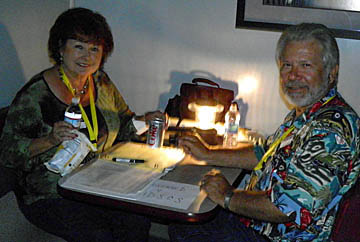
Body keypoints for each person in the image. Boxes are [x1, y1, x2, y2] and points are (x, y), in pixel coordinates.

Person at [169, 23, 360, 241]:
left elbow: (288, 208)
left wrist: (227, 195)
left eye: (305, 65)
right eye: (287, 65)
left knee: (189, 226)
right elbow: (265, 154)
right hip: (261, 224)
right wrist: (208, 153)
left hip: (279, 236)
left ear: (331, 73)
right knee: (186, 218)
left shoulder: (330, 131)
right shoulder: (308, 113)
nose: (293, 75)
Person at [0, 7, 163, 241]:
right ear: (60, 48)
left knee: (136, 219)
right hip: (51, 193)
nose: (87, 57)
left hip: (97, 183)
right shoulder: (35, 95)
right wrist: (50, 139)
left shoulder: (100, 81)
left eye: (94, 49)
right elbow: (7, 153)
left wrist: (145, 121)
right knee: (99, 234)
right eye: (79, 46)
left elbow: (124, 125)